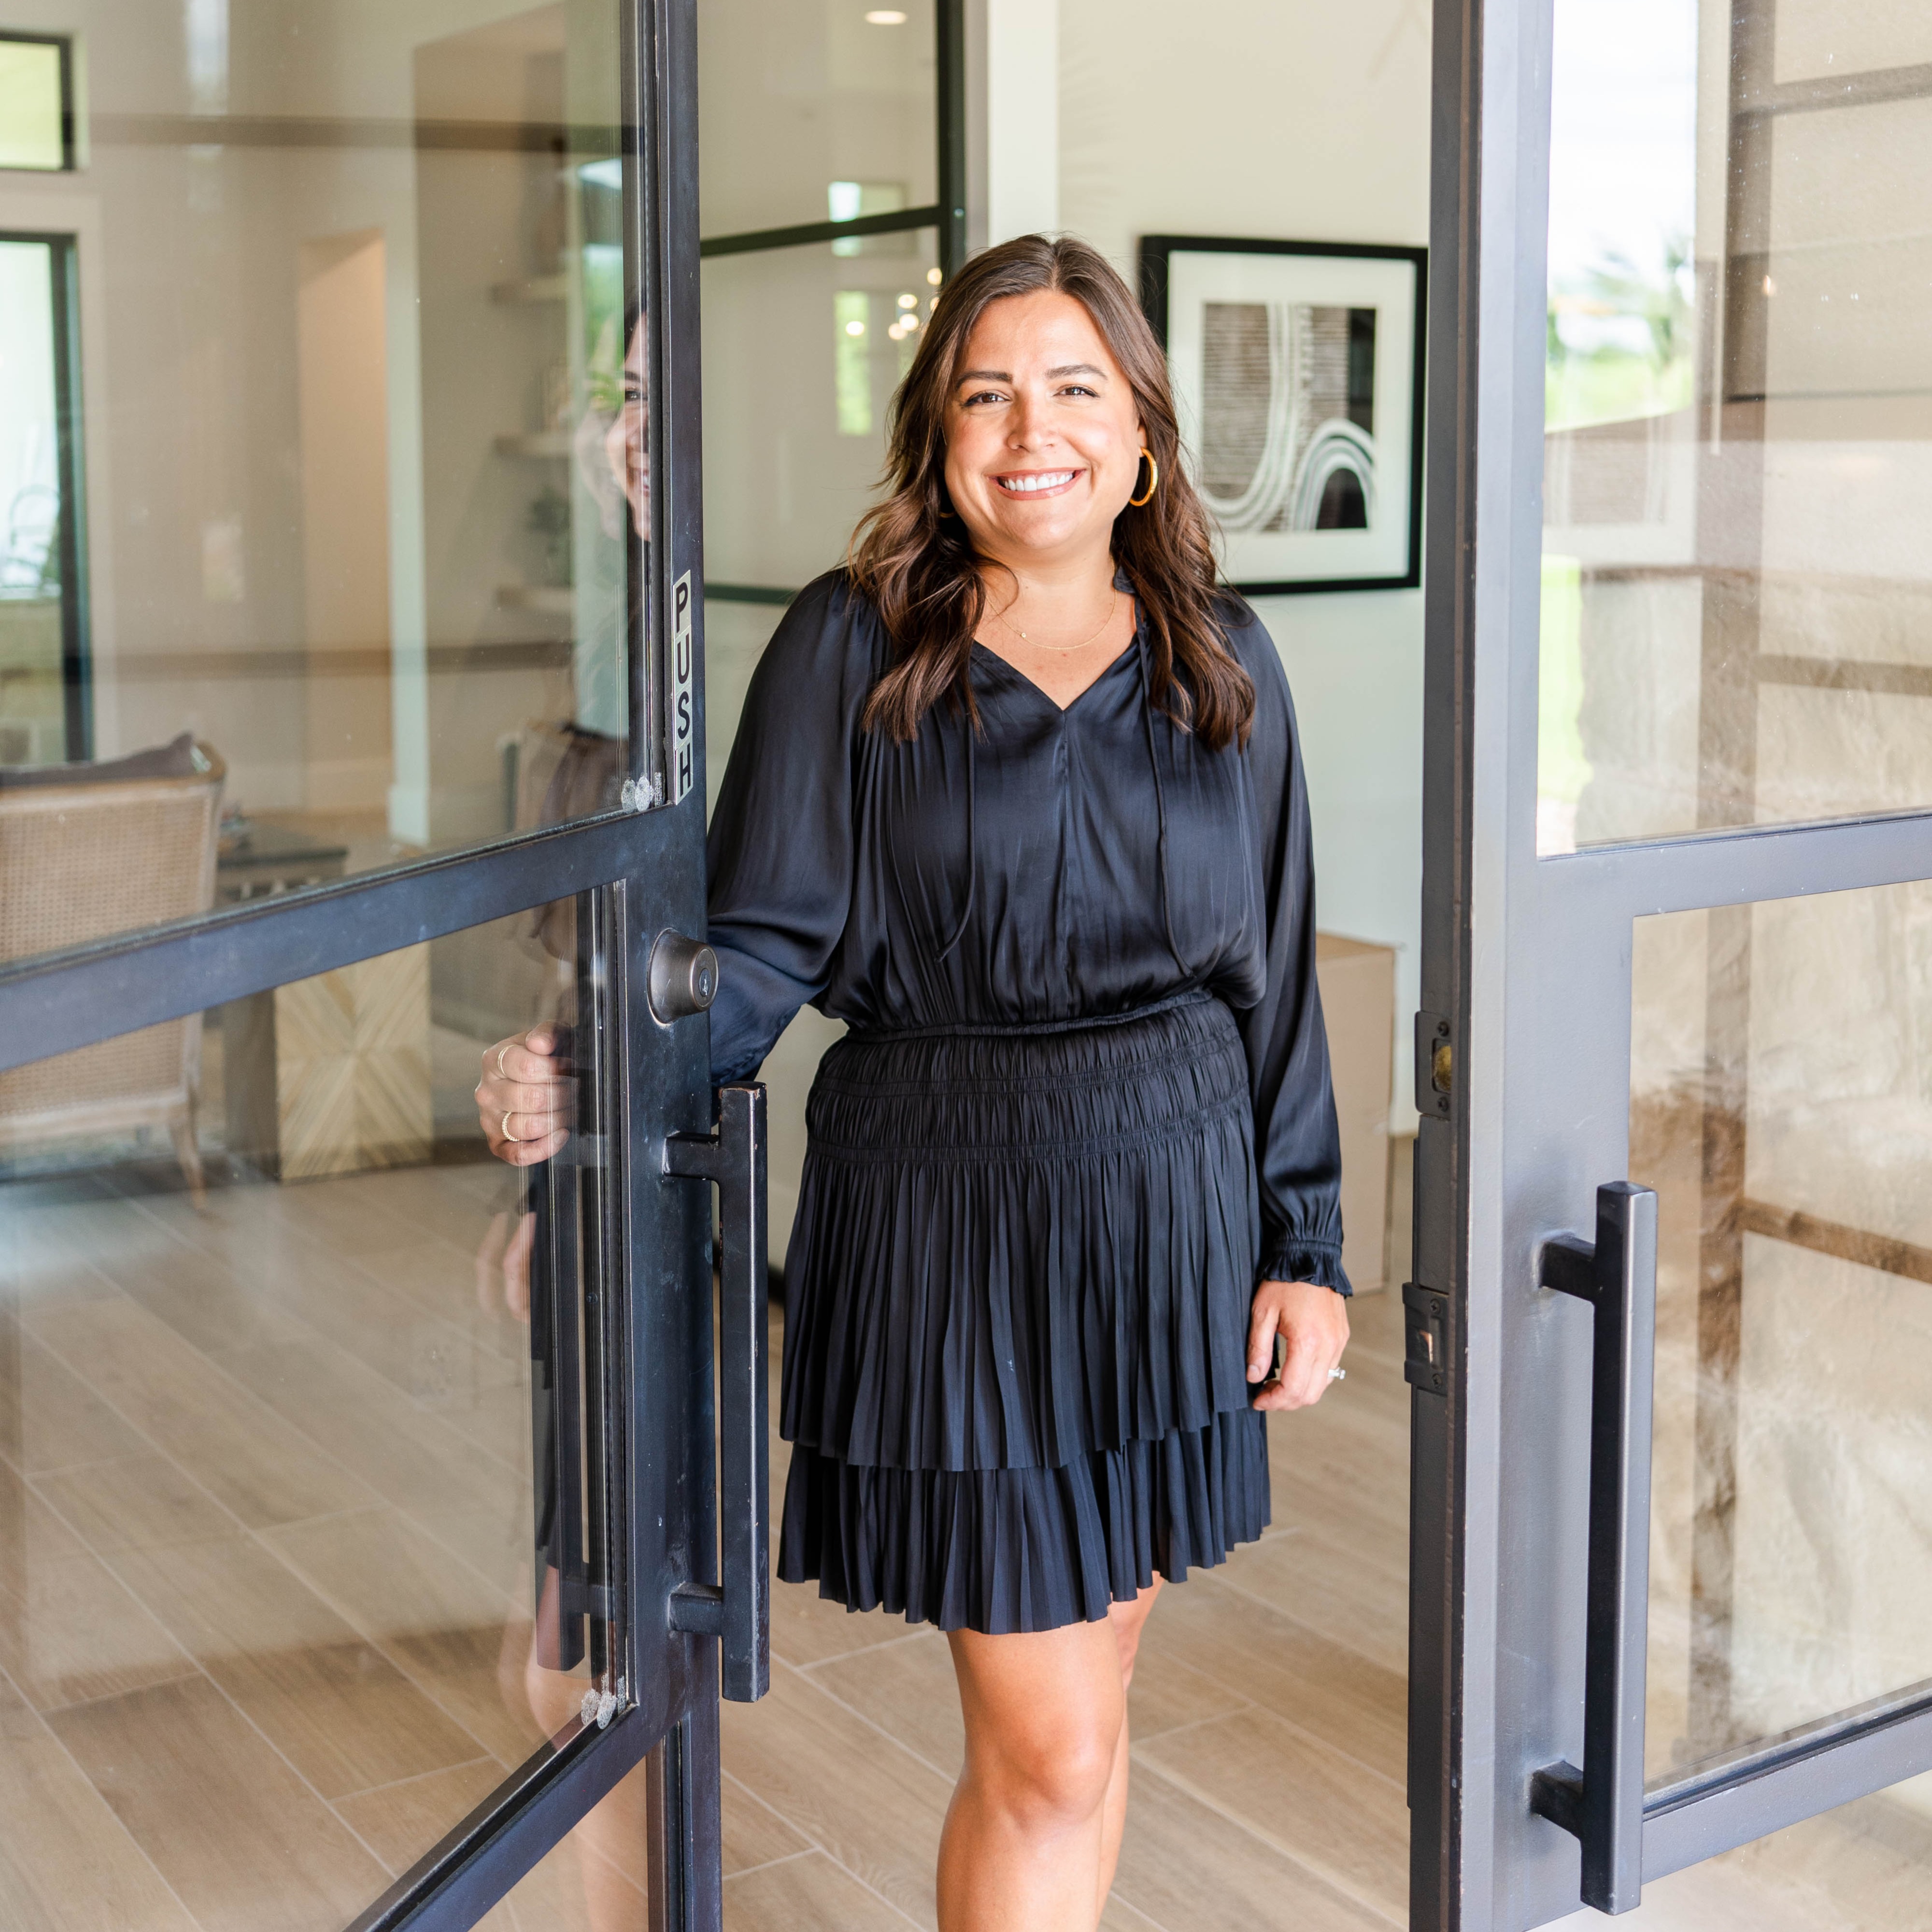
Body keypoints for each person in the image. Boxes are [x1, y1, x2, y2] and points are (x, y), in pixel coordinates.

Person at [477, 234, 1350, 1932]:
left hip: (1173, 1209)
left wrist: (1303, 1244)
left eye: (1077, 389)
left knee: (1087, 1727)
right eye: (989, 392)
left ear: (1144, 433)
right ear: (938, 436)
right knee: (1055, 1752)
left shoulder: (1222, 657)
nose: (1036, 430)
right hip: (961, 1224)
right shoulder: (852, 641)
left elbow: (1273, 968)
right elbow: (768, 941)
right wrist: (601, 1068)